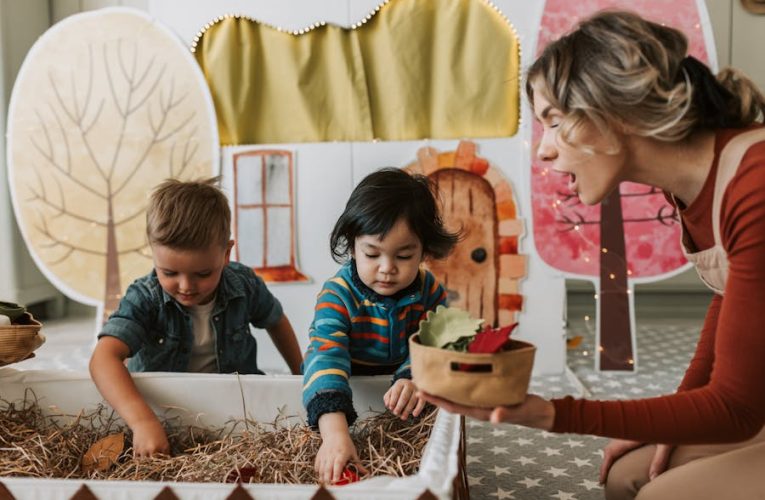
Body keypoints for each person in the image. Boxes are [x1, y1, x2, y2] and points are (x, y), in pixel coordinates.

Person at [420, 10, 765, 500]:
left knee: (660, 494)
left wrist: (552, 413)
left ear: (614, 112)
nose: (543, 151)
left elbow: (736, 407)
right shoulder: (693, 188)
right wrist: (676, 414)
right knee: (629, 473)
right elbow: (730, 297)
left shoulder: (754, 183)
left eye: (555, 122)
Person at [90, 177, 303, 457]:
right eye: (169, 273)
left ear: (226, 253)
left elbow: (275, 320)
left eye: (203, 274)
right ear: (153, 254)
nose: (186, 286)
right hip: (167, 414)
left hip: (234, 411)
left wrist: (300, 375)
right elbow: (102, 360)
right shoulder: (145, 297)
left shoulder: (243, 283)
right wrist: (142, 421)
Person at [303, 167, 459, 484]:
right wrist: (334, 435)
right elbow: (325, 359)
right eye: (372, 254)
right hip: (349, 398)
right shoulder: (337, 296)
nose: (387, 269)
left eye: (404, 255)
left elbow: (442, 342)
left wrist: (415, 375)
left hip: (404, 410)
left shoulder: (429, 291)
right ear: (352, 243)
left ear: (424, 250)